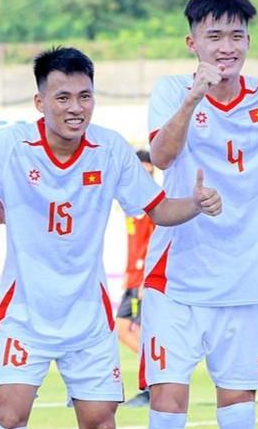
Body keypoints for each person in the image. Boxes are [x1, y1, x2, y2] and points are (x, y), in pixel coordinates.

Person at [0, 46, 222, 429]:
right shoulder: (10, 146)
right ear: (40, 102)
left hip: (88, 320)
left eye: (85, 96)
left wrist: (196, 204)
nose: (76, 108)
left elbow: (159, 210)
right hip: (24, 317)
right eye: (63, 98)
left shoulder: (109, 148)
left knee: (100, 421)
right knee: (9, 416)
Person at [142, 0, 258, 429]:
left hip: (243, 280)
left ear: (249, 42)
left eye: (236, 36)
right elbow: (162, 157)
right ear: (193, 42)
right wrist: (193, 98)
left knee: (238, 403)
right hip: (177, 278)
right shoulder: (172, 90)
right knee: (167, 397)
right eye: (215, 36)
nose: (227, 47)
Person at [117, 149, 155, 407]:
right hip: (132, 277)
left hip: (143, 278)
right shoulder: (131, 203)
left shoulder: (153, 203)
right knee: (121, 328)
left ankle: (154, 382)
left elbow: (156, 241)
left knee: (138, 329)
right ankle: (155, 376)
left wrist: (146, 278)